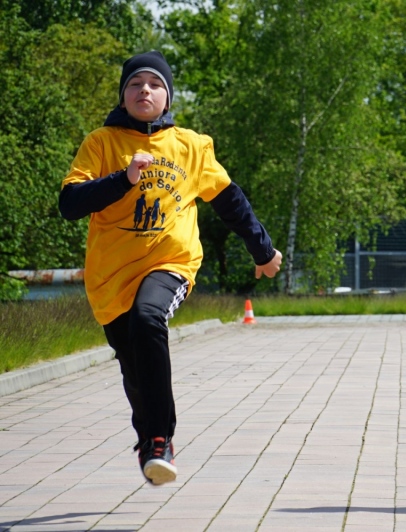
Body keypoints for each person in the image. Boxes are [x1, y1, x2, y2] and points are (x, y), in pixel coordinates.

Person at [59, 51, 283, 486]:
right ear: (123, 96)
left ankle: (161, 439)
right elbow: (70, 204)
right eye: (135, 84)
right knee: (133, 367)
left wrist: (264, 251)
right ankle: (148, 440)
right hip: (111, 277)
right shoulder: (101, 143)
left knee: (149, 318)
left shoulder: (190, 146)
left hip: (170, 262)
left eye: (155, 84)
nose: (145, 90)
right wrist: (121, 179)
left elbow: (230, 201)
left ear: (168, 97)